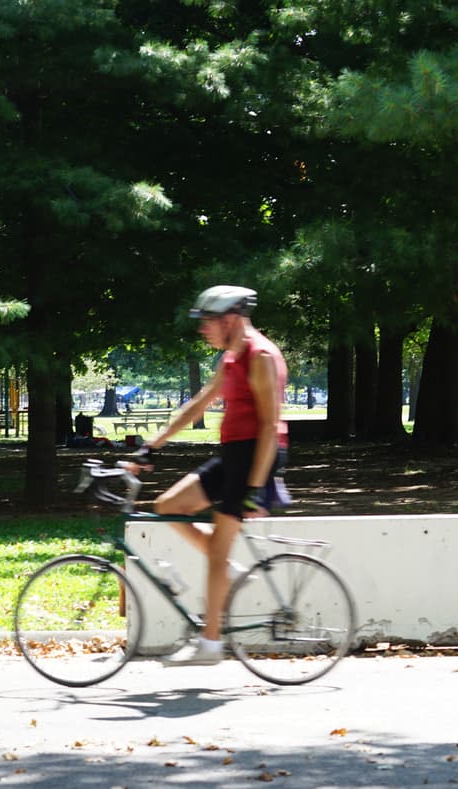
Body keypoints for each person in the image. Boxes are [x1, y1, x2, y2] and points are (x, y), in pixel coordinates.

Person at [133, 284, 289, 666]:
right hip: (234, 453)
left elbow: (269, 426)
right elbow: (198, 405)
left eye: (208, 322)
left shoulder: (260, 356)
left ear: (230, 318)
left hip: (256, 457)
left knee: (217, 551)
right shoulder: (231, 358)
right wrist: (153, 445)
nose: (203, 330)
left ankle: (210, 644)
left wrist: (254, 488)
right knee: (168, 505)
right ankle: (231, 573)